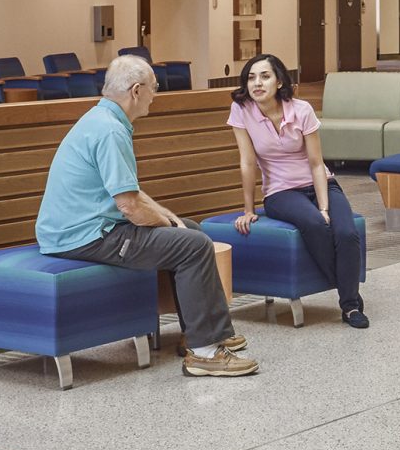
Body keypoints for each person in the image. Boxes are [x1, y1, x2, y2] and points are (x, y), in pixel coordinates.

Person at [35, 52, 253, 377]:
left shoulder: (101, 119)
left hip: (83, 229)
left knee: (189, 229)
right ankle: (205, 353)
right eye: (153, 88)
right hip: (84, 237)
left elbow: (129, 192)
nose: (155, 94)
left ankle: (208, 332)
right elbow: (130, 208)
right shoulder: (110, 131)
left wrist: (169, 217)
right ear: (136, 91)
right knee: (192, 244)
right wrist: (168, 224)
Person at [231, 52, 368, 328]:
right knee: (315, 225)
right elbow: (247, 163)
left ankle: (347, 296)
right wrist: (248, 210)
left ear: (280, 81)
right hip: (280, 192)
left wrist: (324, 206)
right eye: (251, 78)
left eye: (265, 76)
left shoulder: (302, 109)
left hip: (321, 184)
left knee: (346, 232)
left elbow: (317, 163)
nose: (257, 83)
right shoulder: (242, 110)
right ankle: (351, 303)